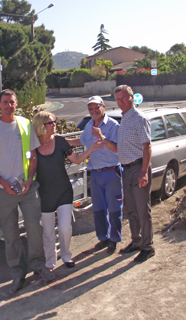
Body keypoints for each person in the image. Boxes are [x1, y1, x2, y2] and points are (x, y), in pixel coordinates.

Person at [0, 89, 54, 294]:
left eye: (11, 102)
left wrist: (29, 180)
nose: (8, 105)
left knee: (34, 227)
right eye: (5, 102)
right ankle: (18, 273)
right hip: (3, 191)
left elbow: (34, 155)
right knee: (10, 234)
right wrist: (3, 182)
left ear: (16, 103)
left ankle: (38, 266)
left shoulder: (25, 124)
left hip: (27, 188)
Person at [33, 111, 103, 270]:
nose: (54, 125)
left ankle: (66, 256)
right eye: (50, 122)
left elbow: (77, 160)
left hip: (64, 191)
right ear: (41, 126)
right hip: (45, 195)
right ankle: (50, 261)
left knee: (65, 228)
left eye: (54, 121)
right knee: (48, 232)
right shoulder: (33, 146)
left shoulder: (60, 141)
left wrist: (91, 149)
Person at [103, 85, 155, 263]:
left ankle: (148, 247)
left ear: (132, 98)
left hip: (138, 169)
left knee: (142, 210)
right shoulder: (124, 118)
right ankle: (137, 241)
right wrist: (104, 141)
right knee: (131, 209)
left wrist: (144, 173)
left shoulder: (139, 119)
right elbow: (120, 148)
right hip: (126, 169)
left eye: (123, 98)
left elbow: (147, 147)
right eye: (117, 99)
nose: (121, 102)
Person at [67, 96, 123, 254]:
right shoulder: (89, 125)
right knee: (98, 209)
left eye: (96, 107)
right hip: (96, 173)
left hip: (112, 172)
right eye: (90, 108)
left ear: (103, 107)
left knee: (114, 209)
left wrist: (102, 137)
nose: (93, 111)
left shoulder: (113, 125)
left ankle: (114, 239)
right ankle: (103, 238)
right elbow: (82, 141)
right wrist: (64, 140)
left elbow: (117, 149)